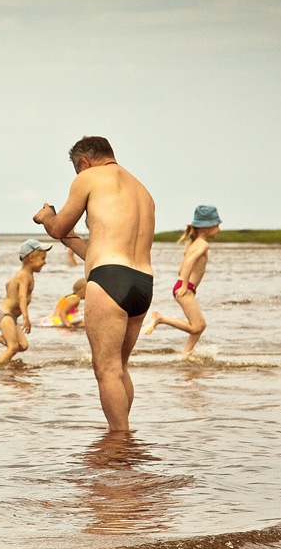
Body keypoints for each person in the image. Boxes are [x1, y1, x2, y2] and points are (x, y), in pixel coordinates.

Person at [33, 135, 155, 432]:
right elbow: (97, 252)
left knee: (106, 370)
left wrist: (47, 217)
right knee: (120, 367)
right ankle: (125, 438)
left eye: (78, 169)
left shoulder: (88, 178)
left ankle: (119, 442)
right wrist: (70, 240)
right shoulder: (142, 190)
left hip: (110, 279)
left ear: (84, 162)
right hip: (142, 281)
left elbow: (58, 227)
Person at [142, 205, 221, 356]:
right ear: (206, 228)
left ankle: (186, 354)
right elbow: (189, 262)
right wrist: (185, 285)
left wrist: (184, 282)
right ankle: (160, 318)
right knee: (196, 327)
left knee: (201, 325)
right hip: (185, 288)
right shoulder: (203, 245)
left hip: (185, 287)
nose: (219, 229)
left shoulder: (192, 244)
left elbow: (180, 268)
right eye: (217, 225)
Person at [0, 239, 52, 364]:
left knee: (23, 345)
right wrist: (25, 318)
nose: (45, 262)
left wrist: (10, 295)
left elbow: (8, 283)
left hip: (10, 316)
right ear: (32, 258)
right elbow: (22, 296)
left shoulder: (24, 274)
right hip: (5, 315)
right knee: (13, 347)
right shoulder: (25, 275)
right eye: (43, 258)